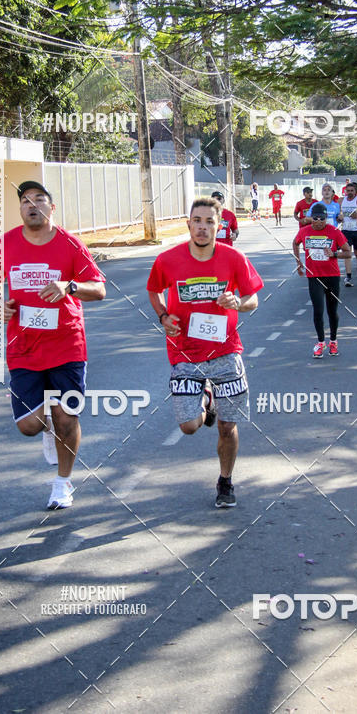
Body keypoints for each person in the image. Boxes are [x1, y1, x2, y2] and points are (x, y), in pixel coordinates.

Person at [147, 197, 263, 508]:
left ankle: (225, 481)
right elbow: (154, 289)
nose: (202, 227)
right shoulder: (168, 260)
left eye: (209, 221)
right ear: (188, 224)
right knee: (189, 426)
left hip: (226, 351)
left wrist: (238, 303)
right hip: (184, 352)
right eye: (197, 221)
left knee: (228, 424)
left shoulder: (233, 258)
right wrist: (163, 316)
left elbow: (253, 297)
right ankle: (206, 401)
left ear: (219, 225)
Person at [0, 180, 106, 510]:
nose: (32, 205)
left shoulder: (70, 245)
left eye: (39, 200)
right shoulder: (5, 244)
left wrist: (69, 286)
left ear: (51, 207)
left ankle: (62, 483)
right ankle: (46, 427)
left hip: (66, 344)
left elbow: (99, 289)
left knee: (66, 417)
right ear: (20, 209)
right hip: (24, 346)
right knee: (30, 425)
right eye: (26, 201)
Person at [293, 202, 351, 357]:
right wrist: (298, 262)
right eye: (316, 218)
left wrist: (334, 254)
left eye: (322, 218)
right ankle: (320, 343)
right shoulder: (305, 231)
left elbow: (348, 252)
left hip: (332, 276)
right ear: (312, 218)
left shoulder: (333, 231)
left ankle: (333, 341)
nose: (319, 221)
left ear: (326, 218)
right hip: (314, 276)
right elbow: (295, 242)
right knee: (318, 311)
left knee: (332, 311)